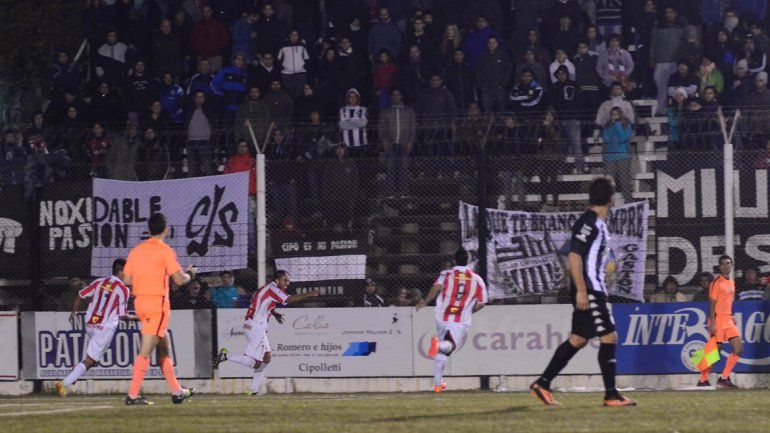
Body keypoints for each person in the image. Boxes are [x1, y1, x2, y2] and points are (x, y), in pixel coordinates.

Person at [530, 178, 636, 407]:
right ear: (611, 198)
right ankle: (611, 394)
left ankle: (543, 382)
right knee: (609, 336)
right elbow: (574, 255)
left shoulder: (595, 222)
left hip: (589, 288)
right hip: (589, 289)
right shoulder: (589, 222)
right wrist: (581, 290)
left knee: (578, 339)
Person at [123, 213, 196, 405]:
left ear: (149, 229)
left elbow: (127, 280)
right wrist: (190, 274)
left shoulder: (136, 251)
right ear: (165, 229)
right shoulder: (165, 250)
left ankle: (177, 391)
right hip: (157, 305)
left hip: (140, 303)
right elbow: (179, 280)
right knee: (145, 351)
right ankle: (132, 395)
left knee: (164, 347)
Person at [213, 271, 320, 395]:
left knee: (267, 357)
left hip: (254, 325)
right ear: (277, 280)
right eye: (285, 280)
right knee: (256, 363)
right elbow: (288, 299)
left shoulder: (267, 289)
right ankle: (226, 356)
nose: (287, 283)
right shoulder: (273, 289)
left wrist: (273, 313)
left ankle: (253, 390)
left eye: (288, 281)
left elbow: (262, 302)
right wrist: (310, 294)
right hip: (255, 327)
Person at [56, 258, 134, 397]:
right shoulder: (123, 290)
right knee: (91, 360)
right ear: (122, 271)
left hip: (90, 324)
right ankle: (64, 384)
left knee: (93, 359)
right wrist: (142, 318)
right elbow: (123, 316)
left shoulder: (99, 282)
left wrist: (74, 312)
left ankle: (76, 372)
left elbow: (80, 295)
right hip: (104, 327)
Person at [416, 247, 488, 393]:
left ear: (454, 260)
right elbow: (482, 302)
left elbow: (436, 288)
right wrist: (469, 311)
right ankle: (439, 345)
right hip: (460, 319)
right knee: (449, 346)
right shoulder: (477, 279)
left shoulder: (446, 274)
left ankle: (437, 383)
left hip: (442, 316)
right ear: (468, 261)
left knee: (442, 353)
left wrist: (424, 302)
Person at [698, 255, 743, 389]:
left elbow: (727, 301)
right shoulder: (716, 282)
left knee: (739, 348)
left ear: (731, 265)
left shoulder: (731, 282)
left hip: (728, 319)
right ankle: (703, 379)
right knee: (714, 350)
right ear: (719, 266)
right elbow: (712, 304)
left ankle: (724, 378)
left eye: (728, 263)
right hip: (717, 319)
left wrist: (731, 315)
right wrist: (712, 323)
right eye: (723, 264)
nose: (725, 266)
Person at [379, 88, 417, 197]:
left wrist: (410, 142)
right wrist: (385, 142)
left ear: (401, 96)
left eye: (398, 94)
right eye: (394, 95)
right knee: (390, 168)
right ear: (391, 97)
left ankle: (403, 192)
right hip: (390, 144)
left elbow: (413, 127)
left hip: (404, 144)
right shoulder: (385, 111)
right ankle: (390, 192)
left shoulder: (409, 110)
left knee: (403, 168)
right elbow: (381, 128)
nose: (396, 97)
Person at [650, 7, 686, 115]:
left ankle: (677, 110)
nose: (668, 15)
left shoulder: (681, 26)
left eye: (671, 12)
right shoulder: (659, 26)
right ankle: (662, 111)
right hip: (661, 61)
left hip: (676, 61)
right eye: (666, 13)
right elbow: (653, 43)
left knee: (675, 87)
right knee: (661, 86)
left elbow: (686, 42)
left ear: (675, 13)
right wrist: (652, 58)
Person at [601, 107, 634, 202]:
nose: (614, 116)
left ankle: (629, 203)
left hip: (623, 156)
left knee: (625, 182)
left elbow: (623, 138)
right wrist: (611, 126)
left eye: (616, 114)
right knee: (609, 183)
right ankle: (608, 205)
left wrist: (617, 125)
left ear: (620, 114)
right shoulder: (607, 126)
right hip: (609, 157)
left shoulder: (626, 125)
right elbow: (606, 139)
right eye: (612, 114)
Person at [476, 36, 512, 113]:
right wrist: (482, 86)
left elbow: (507, 71)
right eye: (489, 43)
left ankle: (502, 125)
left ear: (497, 44)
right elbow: (478, 72)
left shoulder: (503, 55)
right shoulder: (483, 56)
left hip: (499, 89)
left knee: (502, 110)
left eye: (493, 42)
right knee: (487, 111)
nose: (491, 45)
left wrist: (503, 85)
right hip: (487, 89)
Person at [189, 4, 230, 72]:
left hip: (215, 57)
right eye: (204, 12)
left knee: (215, 78)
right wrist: (199, 49)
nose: (206, 14)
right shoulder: (198, 26)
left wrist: (217, 47)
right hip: (202, 56)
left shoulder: (218, 25)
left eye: (208, 11)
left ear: (211, 11)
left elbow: (226, 39)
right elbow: (193, 40)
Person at [185, 90, 216, 176]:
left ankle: (210, 187)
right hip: (191, 142)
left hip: (205, 142)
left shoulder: (209, 110)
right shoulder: (189, 110)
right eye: (197, 97)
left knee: (207, 168)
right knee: (192, 168)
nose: (199, 99)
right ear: (194, 98)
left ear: (205, 99)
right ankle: (191, 187)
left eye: (202, 97)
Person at [277, 30, 310, 98]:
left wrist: (303, 67)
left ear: (298, 36)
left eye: (296, 35)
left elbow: (307, 58)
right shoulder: (283, 46)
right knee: (289, 95)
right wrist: (283, 67)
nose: (294, 37)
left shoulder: (302, 46)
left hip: (300, 74)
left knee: (299, 95)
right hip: (287, 74)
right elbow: (278, 59)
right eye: (292, 35)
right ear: (289, 35)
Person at [338, 89, 368, 155]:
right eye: (350, 97)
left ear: (358, 98)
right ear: (347, 98)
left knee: (361, 164)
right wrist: (356, 122)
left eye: (355, 96)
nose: (352, 98)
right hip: (347, 143)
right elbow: (342, 125)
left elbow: (363, 123)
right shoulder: (343, 110)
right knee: (349, 164)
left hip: (361, 143)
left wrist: (349, 121)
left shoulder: (363, 110)